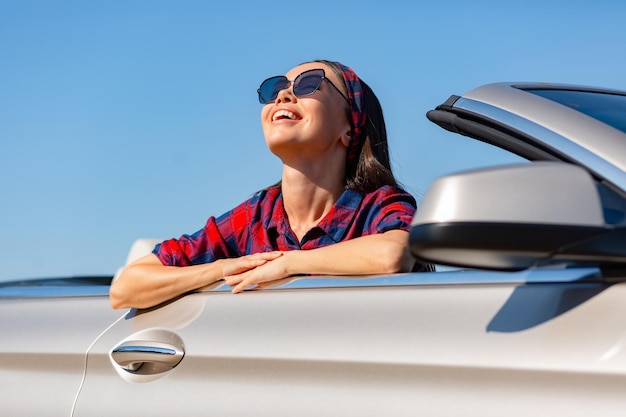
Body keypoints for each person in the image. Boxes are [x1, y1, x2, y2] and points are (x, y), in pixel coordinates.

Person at [110, 59, 431, 310]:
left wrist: (287, 263)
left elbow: (392, 254)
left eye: (309, 84)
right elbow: (126, 287)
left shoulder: (381, 203)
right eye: (275, 88)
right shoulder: (253, 218)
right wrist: (221, 269)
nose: (283, 94)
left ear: (350, 128)